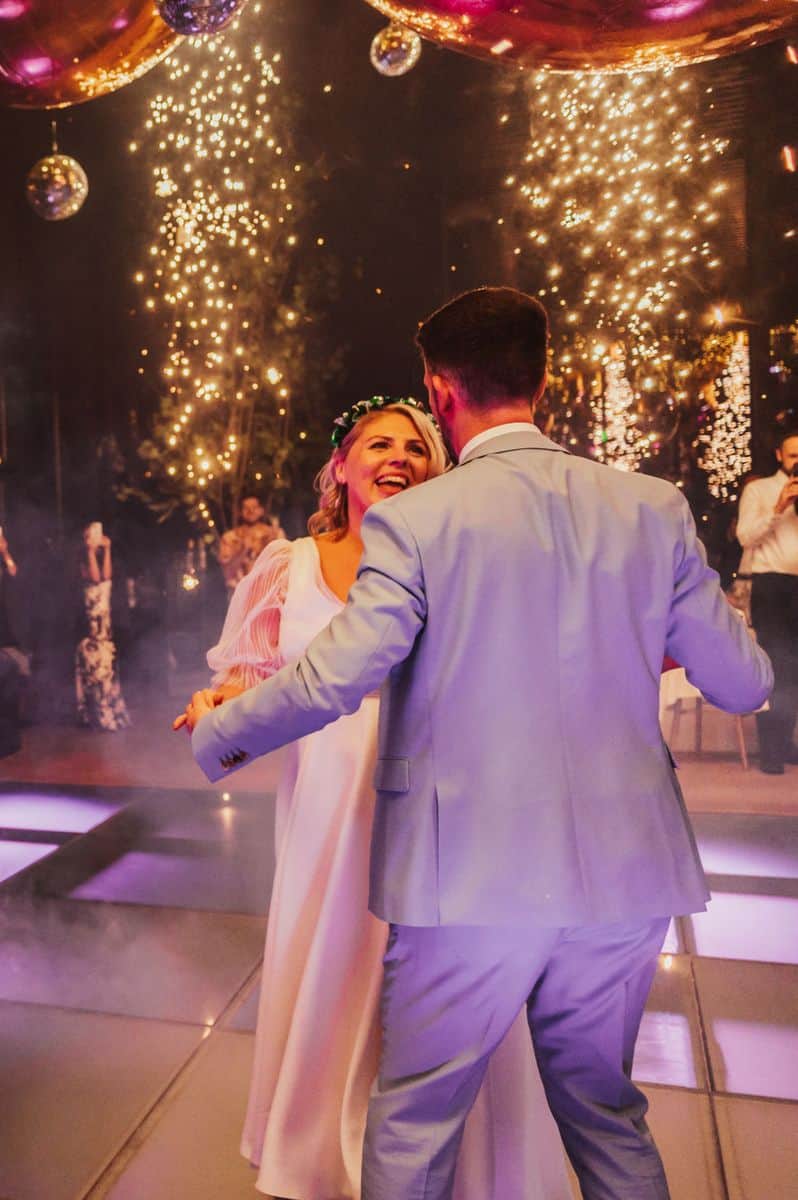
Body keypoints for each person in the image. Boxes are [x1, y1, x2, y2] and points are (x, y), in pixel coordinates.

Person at [185, 288, 772, 1200]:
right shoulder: (652, 508)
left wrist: (219, 735)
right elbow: (744, 683)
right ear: (544, 377)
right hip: (626, 880)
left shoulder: (416, 521)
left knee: (416, 1114)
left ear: (439, 389)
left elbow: (336, 675)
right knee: (606, 1112)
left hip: (471, 875)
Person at [178, 398, 569, 1200]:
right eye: (379, 444)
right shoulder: (289, 564)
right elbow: (251, 680)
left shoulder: (453, 554)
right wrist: (215, 705)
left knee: (431, 988)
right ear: (342, 465)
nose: (400, 456)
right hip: (326, 809)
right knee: (331, 963)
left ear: (437, 467)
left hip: (434, 808)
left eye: (418, 447)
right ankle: (319, 1157)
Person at [736, 421, 798, 773]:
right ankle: (770, 751)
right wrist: (778, 509)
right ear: (779, 456)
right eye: (792, 455)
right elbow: (745, 536)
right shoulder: (760, 491)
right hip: (773, 587)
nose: (797, 462)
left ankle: (787, 742)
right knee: (776, 665)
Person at [75, 523, 130, 731]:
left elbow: (107, 579)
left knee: (108, 670)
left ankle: (111, 711)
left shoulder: (103, 557)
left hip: (105, 628)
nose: (100, 536)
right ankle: (96, 715)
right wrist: (90, 550)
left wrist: (106, 549)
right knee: (94, 672)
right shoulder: (81, 560)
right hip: (91, 627)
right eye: (95, 533)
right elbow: (96, 579)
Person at [218, 494, 286, 593]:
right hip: (240, 595)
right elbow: (228, 573)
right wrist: (243, 550)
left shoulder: (275, 534)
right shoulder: (230, 538)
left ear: (261, 510)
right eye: (246, 508)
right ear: (240, 512)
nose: (250, 511)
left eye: (254, 507)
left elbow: (283, 568)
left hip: (269, 594)